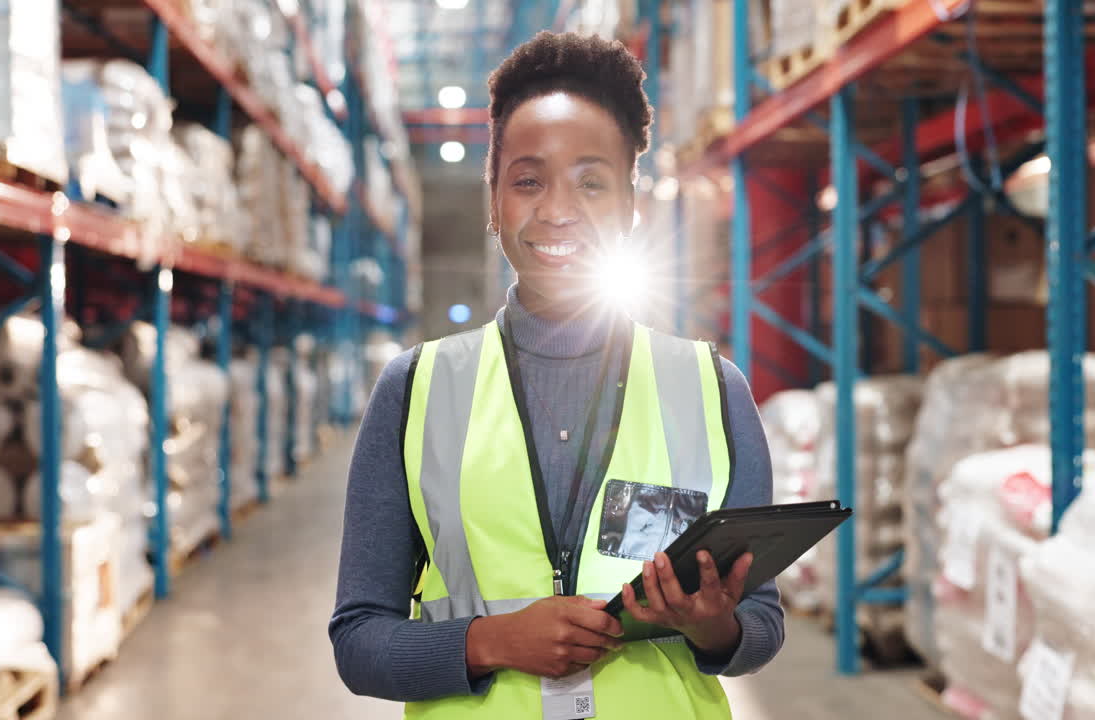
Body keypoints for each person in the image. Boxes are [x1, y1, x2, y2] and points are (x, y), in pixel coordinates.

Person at [329, 31, 784, 719]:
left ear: (630, 204)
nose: (557, 211)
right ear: (493, 201)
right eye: (528, 181)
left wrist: (712, 626)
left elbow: (762, 624)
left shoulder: (711, 390)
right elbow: (359, 640)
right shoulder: (416, 389)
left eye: (591, 182)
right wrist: (490, 641)